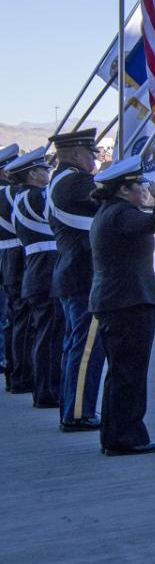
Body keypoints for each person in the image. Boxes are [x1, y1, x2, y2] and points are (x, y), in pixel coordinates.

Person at [89, 155, 155, 455]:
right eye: (139, 185)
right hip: (127, 302)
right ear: (124, 189)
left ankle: (118, 435)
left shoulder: (112, 211)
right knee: (128, 373)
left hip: (121, 300)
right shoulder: (120, 213)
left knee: (123, 372)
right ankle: (125, 437)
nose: (144, 189)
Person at [47, 130, 104, 431]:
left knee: (76, 347)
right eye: (90, 153)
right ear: (74, 154)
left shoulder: (60, 179)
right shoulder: (74, 182)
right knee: (86, 350)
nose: (94, 158)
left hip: (73, 273)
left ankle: (73, 408)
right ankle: (78, 413)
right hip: (85, 274)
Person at [10, 147, 64, 409]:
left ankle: (46, 387)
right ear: (33, 174)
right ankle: (47, 390)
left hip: (37, 267)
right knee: (49, 334)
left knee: (45, 332)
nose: (48, 172)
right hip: (45, 268)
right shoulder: (35, 197)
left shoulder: (22, 196)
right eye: (44, 169)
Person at [0, 143, 22, 391]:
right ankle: (16, 368)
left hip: (5, 253)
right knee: (17, 316)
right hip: (16, 254)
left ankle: (8, 363)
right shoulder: (10, 193)